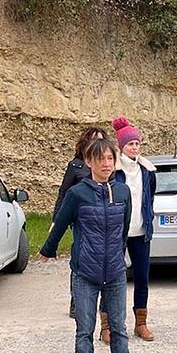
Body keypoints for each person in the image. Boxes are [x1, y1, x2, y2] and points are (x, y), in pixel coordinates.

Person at [39, 137, 138, 353]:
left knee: (118, 326)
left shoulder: (123, 192)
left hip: (115, 272)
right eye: (100, 159)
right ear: (88, 162)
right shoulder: (77, 193)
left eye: (109, 158)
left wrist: (118, 254)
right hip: (85, 272)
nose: (106, 164)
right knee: (85, 328)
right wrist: (48, 250)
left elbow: (124, 229)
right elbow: (60, 224)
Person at [53, 126, 109, 318]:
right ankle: (76, 301)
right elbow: (64, 192)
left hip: (103, 218)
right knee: (80, 257)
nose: (97, 143)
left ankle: (102, 303)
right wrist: (56, 219)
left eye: (101, 139)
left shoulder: (108, 166)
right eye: (93, 140)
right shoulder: (76, 166)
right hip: (80, 219)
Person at [112, 116, 157, 342]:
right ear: (122, 146)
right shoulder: (114, 171)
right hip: (117, 233)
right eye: (130, 144)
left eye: (137, 143)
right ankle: (108, 325)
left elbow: (150, 196)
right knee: (111, 278)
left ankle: (141, 323)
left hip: (141, 232)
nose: (135, 147)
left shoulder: (147, 171)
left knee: (142, 278)